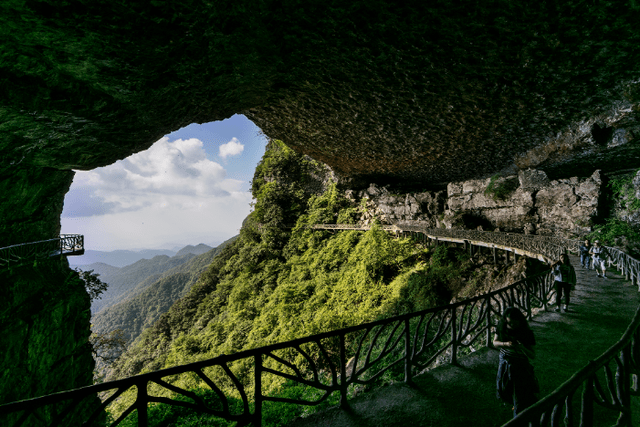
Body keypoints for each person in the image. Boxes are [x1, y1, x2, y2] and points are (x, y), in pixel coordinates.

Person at [493, 307, 538, 418]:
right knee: (503, 389)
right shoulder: (502, 326)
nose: (511, 325)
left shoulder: (526, 333)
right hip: (504, 362)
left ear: (520, 320)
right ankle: (519, 405)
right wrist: (505, 344)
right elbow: (495, 343)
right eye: (509, 323)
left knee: (518, 395)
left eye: (514, 323)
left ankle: (518, 417)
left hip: (519, 366)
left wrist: (522, 347)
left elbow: (532, 355)